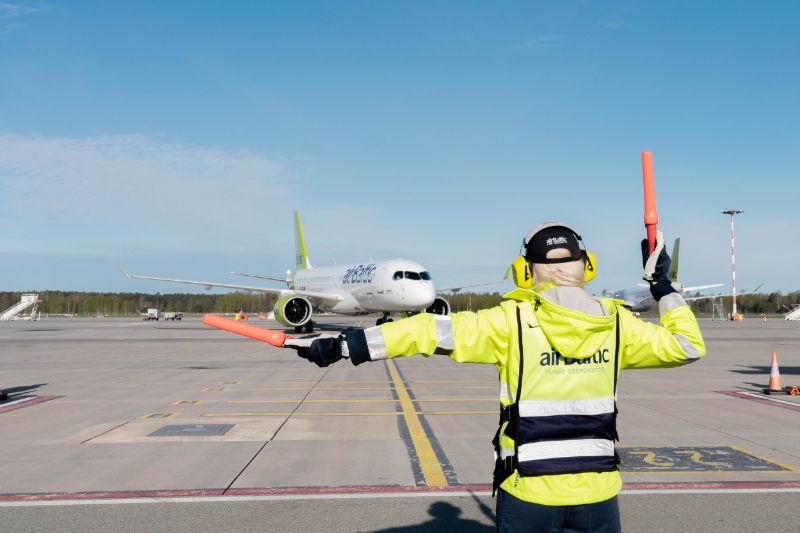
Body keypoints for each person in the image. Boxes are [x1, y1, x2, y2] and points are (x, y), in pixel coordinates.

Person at [286, 223, 706, 533]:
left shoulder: (510, 322)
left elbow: (427, 331)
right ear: (587, 267)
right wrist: (662, 285)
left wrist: (345, 346)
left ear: (526, 271)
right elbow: (688, 346)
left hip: (529, 493)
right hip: (598, 496)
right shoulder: (617, 324)